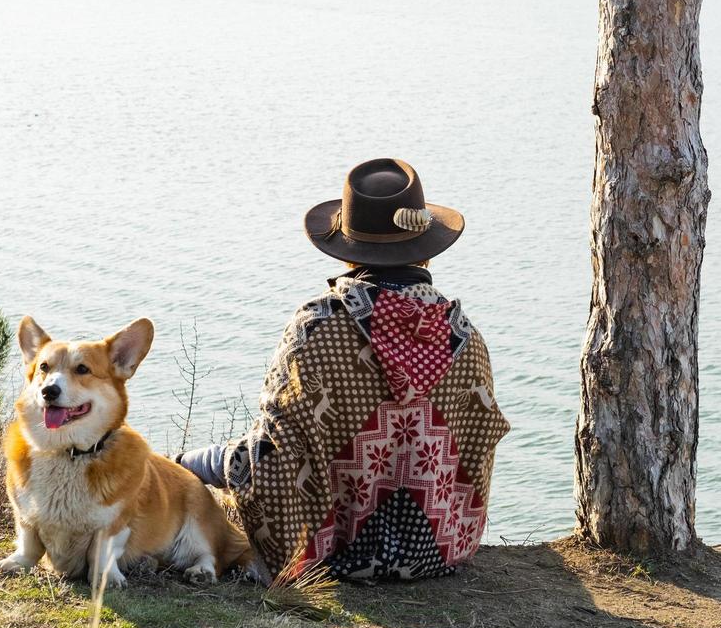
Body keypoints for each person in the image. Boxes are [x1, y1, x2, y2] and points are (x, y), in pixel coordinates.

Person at [176, 158, 509, 581]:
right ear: (424, 249)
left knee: (202, 472)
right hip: (442, 552)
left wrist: (187, 463)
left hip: (332, 559)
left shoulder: (319, 329)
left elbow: (271, 457)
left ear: (349, 250)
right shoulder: (465, 339)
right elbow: (478, 453)